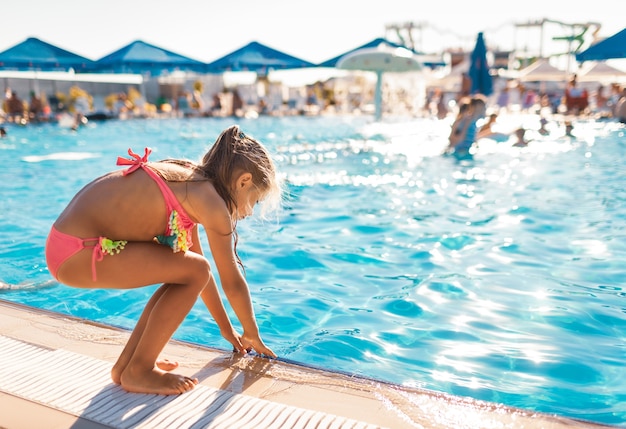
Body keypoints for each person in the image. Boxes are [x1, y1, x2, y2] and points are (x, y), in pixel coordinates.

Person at [45, 125, 280, 395]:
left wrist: (227, 330)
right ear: (243, 181)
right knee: (194, 269)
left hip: (66, 248)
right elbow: (231, 280)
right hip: (79, 252)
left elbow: (198, 275)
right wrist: (252, 333)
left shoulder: (191, 184)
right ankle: (139, 369)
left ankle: (127, 366)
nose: (250, 212)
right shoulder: (210, 202)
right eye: (255, 201)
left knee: (189, 269)